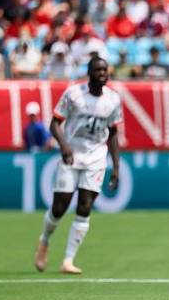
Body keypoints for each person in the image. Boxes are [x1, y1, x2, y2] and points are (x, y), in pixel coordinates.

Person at [34, 57, 122, 274]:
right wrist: (63, 145)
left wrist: (116, 167)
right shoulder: (74, 94)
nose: (102, 73)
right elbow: (54, 123)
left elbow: (113, 133)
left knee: (85, 206)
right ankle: (44, 240)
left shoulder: (113, 99)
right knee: (59, 208)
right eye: (98, 70)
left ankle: (68, 260)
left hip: (96, 159)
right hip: (71, 156)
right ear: (89, 73)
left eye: (105, 70)